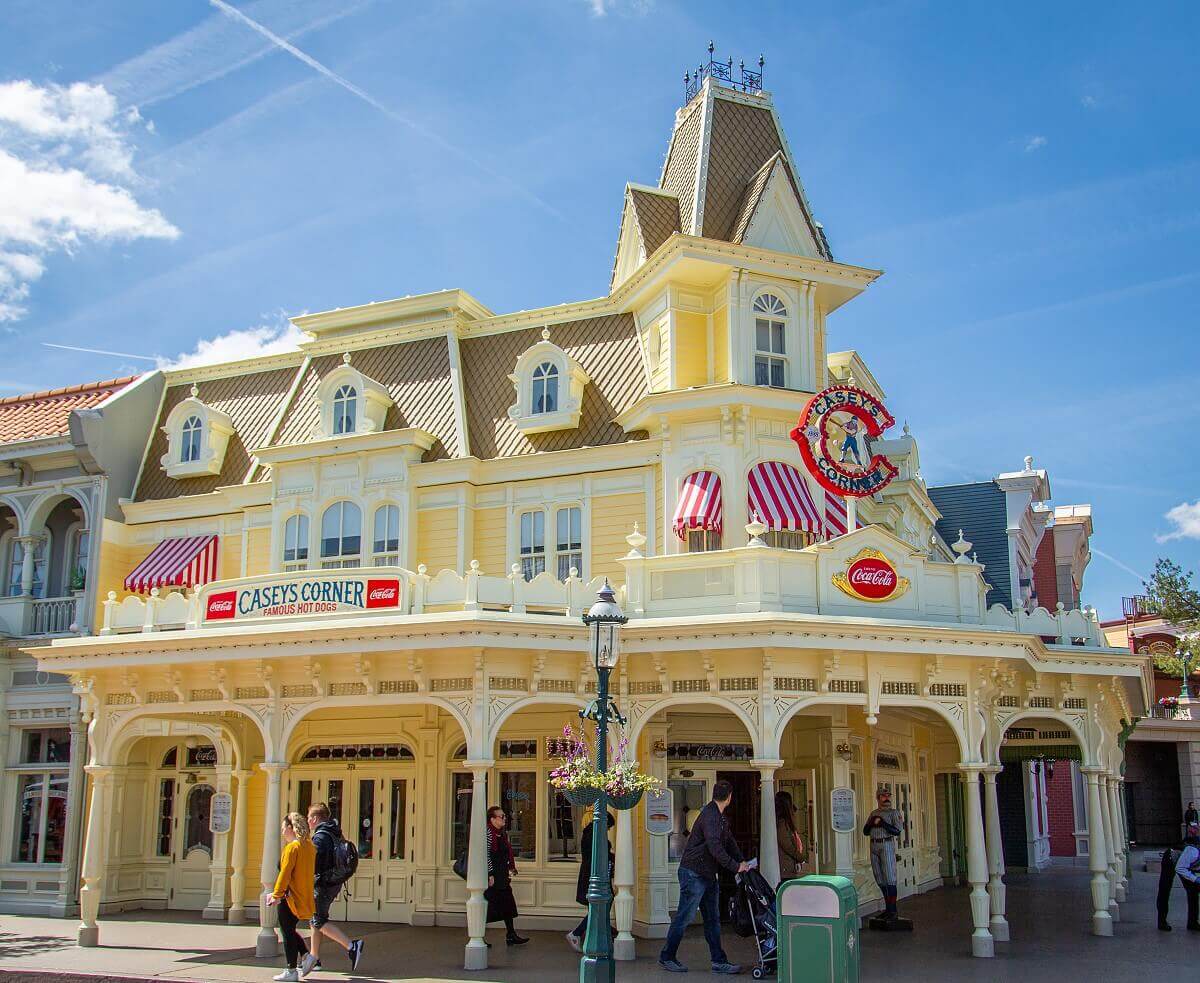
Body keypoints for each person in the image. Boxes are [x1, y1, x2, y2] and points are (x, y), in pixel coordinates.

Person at [659, 779, 748, 975]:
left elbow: (729, 841)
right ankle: (667, 956)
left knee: (712, 918)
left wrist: (743, 862)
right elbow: (715, 847)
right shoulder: (711, 816)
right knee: (685, 916)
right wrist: (736, 866)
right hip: (694, 873)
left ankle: (718, 960)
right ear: (730, 797)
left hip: (707, 874)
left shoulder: (718, 816)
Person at [302, 802, 363, 976]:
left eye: (308, 818)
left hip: (323, 883)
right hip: (333, 882)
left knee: (319, 921)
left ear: (314, 818)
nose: (308, 821)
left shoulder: (320, 837)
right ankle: (314, 957)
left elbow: (315, 863)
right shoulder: (334, 832)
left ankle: (351, 946)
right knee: (315, 919)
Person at [267, 812, 316, 982]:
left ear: (290, 827)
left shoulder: (292, 848)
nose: (282, 832)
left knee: (286, 932)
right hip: (303, 896)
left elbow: (285, 874)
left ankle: (291, 970)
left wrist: (276, 894)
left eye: (283, 828)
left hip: (290, 896)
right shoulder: (309, 847)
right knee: (289, 929)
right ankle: (306, 955)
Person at [566, 809, 615, 952]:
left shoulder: (589, 833)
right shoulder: (595, 835)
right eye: (608, 827)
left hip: (591, 876)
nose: (608, 830)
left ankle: (595, 935)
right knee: (599, 908)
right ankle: (576, 933)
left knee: (596, 909)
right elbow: (600, 855)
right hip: (596, 877)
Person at [485, 805, 529, 946]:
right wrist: (490, 874)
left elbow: (505, 852)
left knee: (508, 904)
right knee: (485, 907)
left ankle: (511, 934)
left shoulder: (501, 833)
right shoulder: (488, 833)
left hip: (502, 874)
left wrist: (510, 867)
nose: (504, 818)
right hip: (493, 877)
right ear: (492, 819)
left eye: (504, 816)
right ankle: (478, 936)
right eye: (501, 816)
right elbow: (485, 855)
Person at [863, 789, 904, 920]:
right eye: (883, 796)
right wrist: (871, 823)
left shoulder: (894, 813)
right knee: (879, 877)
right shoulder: (874, 813)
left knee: (890, 877)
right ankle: (888, 908)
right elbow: (865, 831)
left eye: (888, 795)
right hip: (874, 844)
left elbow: (897, 831)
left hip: (886, 843)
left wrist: (882, 823)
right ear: (878, 798)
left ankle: (893, 910)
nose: (886, 798)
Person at [775, 790, 806, 884]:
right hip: (785, 868)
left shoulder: (785, 822)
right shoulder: (782, 823)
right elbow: (787, 845)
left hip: (787, 867)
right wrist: (800, 857)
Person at [1176, 822, 1200, 932]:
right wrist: (1195, 879)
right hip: (1173, 861)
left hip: (1189, 866)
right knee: (1192, 891)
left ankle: (1193, 922)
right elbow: (1180, 868)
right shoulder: (1192, 850)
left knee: (1194, 893)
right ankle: (1192, 923)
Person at [1158, 844, 1177, 931]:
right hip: (1173, 857)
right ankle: (1162, 922)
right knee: (1164, 891)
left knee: (1164, 890)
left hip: (1172, 855)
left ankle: (1162, 921)